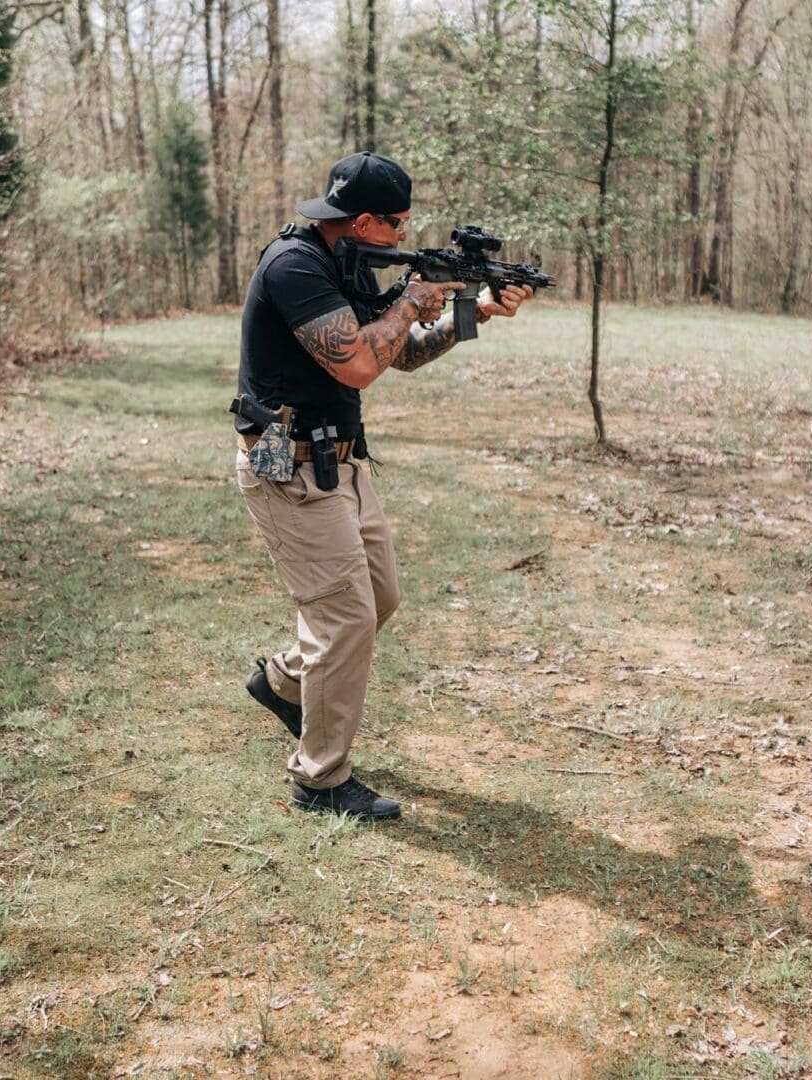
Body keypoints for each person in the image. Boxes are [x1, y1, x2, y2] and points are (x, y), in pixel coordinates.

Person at [233, 151, 534, 820]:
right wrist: (408, 300)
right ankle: (319, 780)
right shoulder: (295, 267)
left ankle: (285, 683)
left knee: (380, 599)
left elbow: (403, 353)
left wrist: (474, 311)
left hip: (339, 463)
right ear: (364, 220)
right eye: (397, 223)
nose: (404, 235)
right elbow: (361, 363)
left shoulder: (349, 265)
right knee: (346, 620)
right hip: (288, 467)